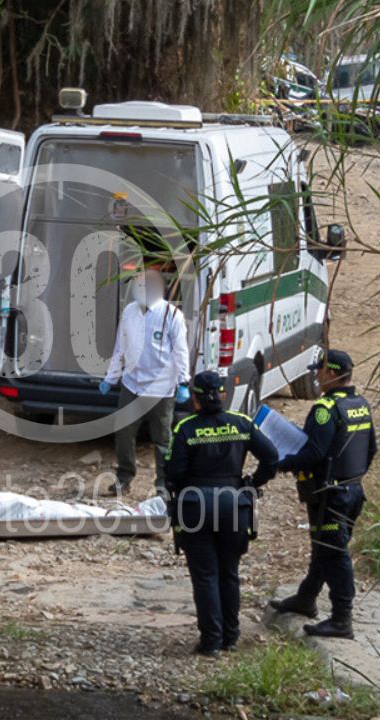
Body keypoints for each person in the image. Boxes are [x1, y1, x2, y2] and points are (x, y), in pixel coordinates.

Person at [165, 371, 280, 656]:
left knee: (205, 575)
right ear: (224, 394)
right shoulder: (241, 422)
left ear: (195, 399)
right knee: (229, 572)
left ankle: (211, 642)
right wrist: (252, 483)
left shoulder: (186, 428)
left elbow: (173, 473)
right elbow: (272, 456)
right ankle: (231, 637)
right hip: (234, 503)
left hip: (196, 505)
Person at [268, 349, 376, 639]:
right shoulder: (360, 404)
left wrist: (278, 464)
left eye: (319, 371)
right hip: (352, 490)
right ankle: (306, 598)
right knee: (324, 547)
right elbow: (371, 449)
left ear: (331, 374)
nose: (315, 376)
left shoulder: (326, 409)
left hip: (330, 494)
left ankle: (342, 619)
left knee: (334, 554)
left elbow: (313, 454)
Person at [100, 267, 191, 496]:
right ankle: (124, 478)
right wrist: (110, 378)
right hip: (132, 384)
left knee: (162, 439)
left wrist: (183, 381)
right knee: (123, 433)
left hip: (161, 388)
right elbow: (120, 346)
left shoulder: (172, 316)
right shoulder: (130, 311)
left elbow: (180, 351)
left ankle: (163, 484)